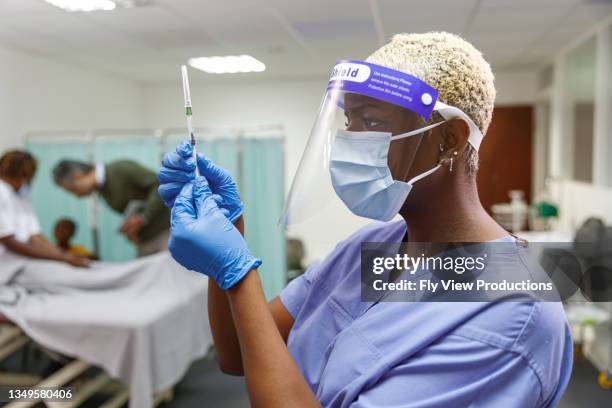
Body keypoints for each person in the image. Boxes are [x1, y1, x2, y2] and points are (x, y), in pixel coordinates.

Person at [157, 32, 573, 407]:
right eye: (348, 122)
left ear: (448, 140)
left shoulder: (514, 311)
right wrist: (231, 243)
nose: (350, 141)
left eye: (372, 122)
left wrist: (239, 274)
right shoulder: (372, 250)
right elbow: (236, 355)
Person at [52, 159, 170, 257]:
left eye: (72, 190)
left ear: (78, 176)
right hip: (146, 241)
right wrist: (133, 228)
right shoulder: (102, 190)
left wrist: (143, 217)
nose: (76, 196)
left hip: (166, 233)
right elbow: (136, 206)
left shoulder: (120, 169)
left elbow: (160, 185)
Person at [0, 150, 88, 267]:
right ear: (23, 173)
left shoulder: (21, 198)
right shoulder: (2, 193)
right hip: (7, 266)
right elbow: (9, 241)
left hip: (23, 263)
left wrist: (65, 256)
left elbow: (36, 237)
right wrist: (63, 258)